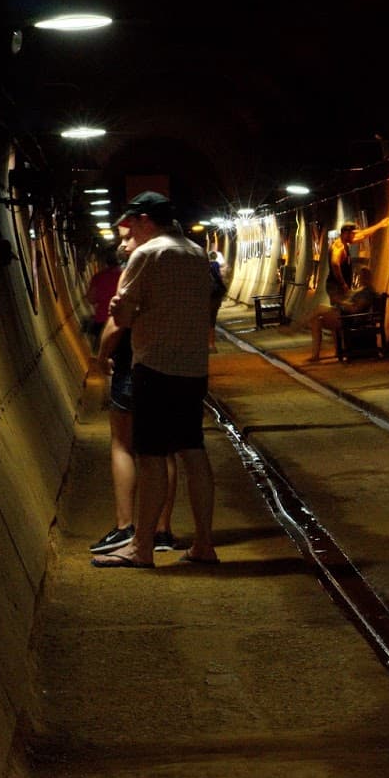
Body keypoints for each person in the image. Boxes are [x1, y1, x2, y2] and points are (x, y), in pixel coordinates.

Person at [91, 192, 220, 568]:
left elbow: (125, 317)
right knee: (193, 452)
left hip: (154, 367)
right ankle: (204, 544)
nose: (129, 231)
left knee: (150, 459)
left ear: (147, 220)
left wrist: (120, 308)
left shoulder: (146, 255)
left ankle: (141, 547)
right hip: (193, 368)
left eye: (132, 223)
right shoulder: (197, 253)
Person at [88, 235, 181, 556]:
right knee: (165, 451)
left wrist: (101, 360)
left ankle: (125, 527)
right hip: (168, 369)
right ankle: (162, 531)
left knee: (123, 445)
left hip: (131, 368)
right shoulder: (175, 278)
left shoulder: (131, 275)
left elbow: (116, 325)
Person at [309, 267, 380, 360]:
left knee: (318, 310)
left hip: (348, 318)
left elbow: (355, 309)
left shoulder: (367, 292)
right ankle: (317, 354)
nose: (360, 278)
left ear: (367, 277)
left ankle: (300, 325)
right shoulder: (361, 290)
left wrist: (340, 302)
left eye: (362, 276)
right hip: (344, 315)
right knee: (317, 320)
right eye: (360, 276)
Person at [327, 218, 389, 306]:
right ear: (346, 233)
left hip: (339, 287)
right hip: (336, 287)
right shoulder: (339, 246)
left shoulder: (345, 241)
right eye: (353, 234)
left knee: (344, 310)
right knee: (341, 311)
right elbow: (335, 264)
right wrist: (343, 284)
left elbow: (363, 235)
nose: (355, 236)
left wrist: (380, 225)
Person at [83, 246, 122, 352]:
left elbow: (91, 299)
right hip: (122, 324)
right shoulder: (126, 276)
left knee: (100, 353)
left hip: (102, 320)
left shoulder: (98, 277)